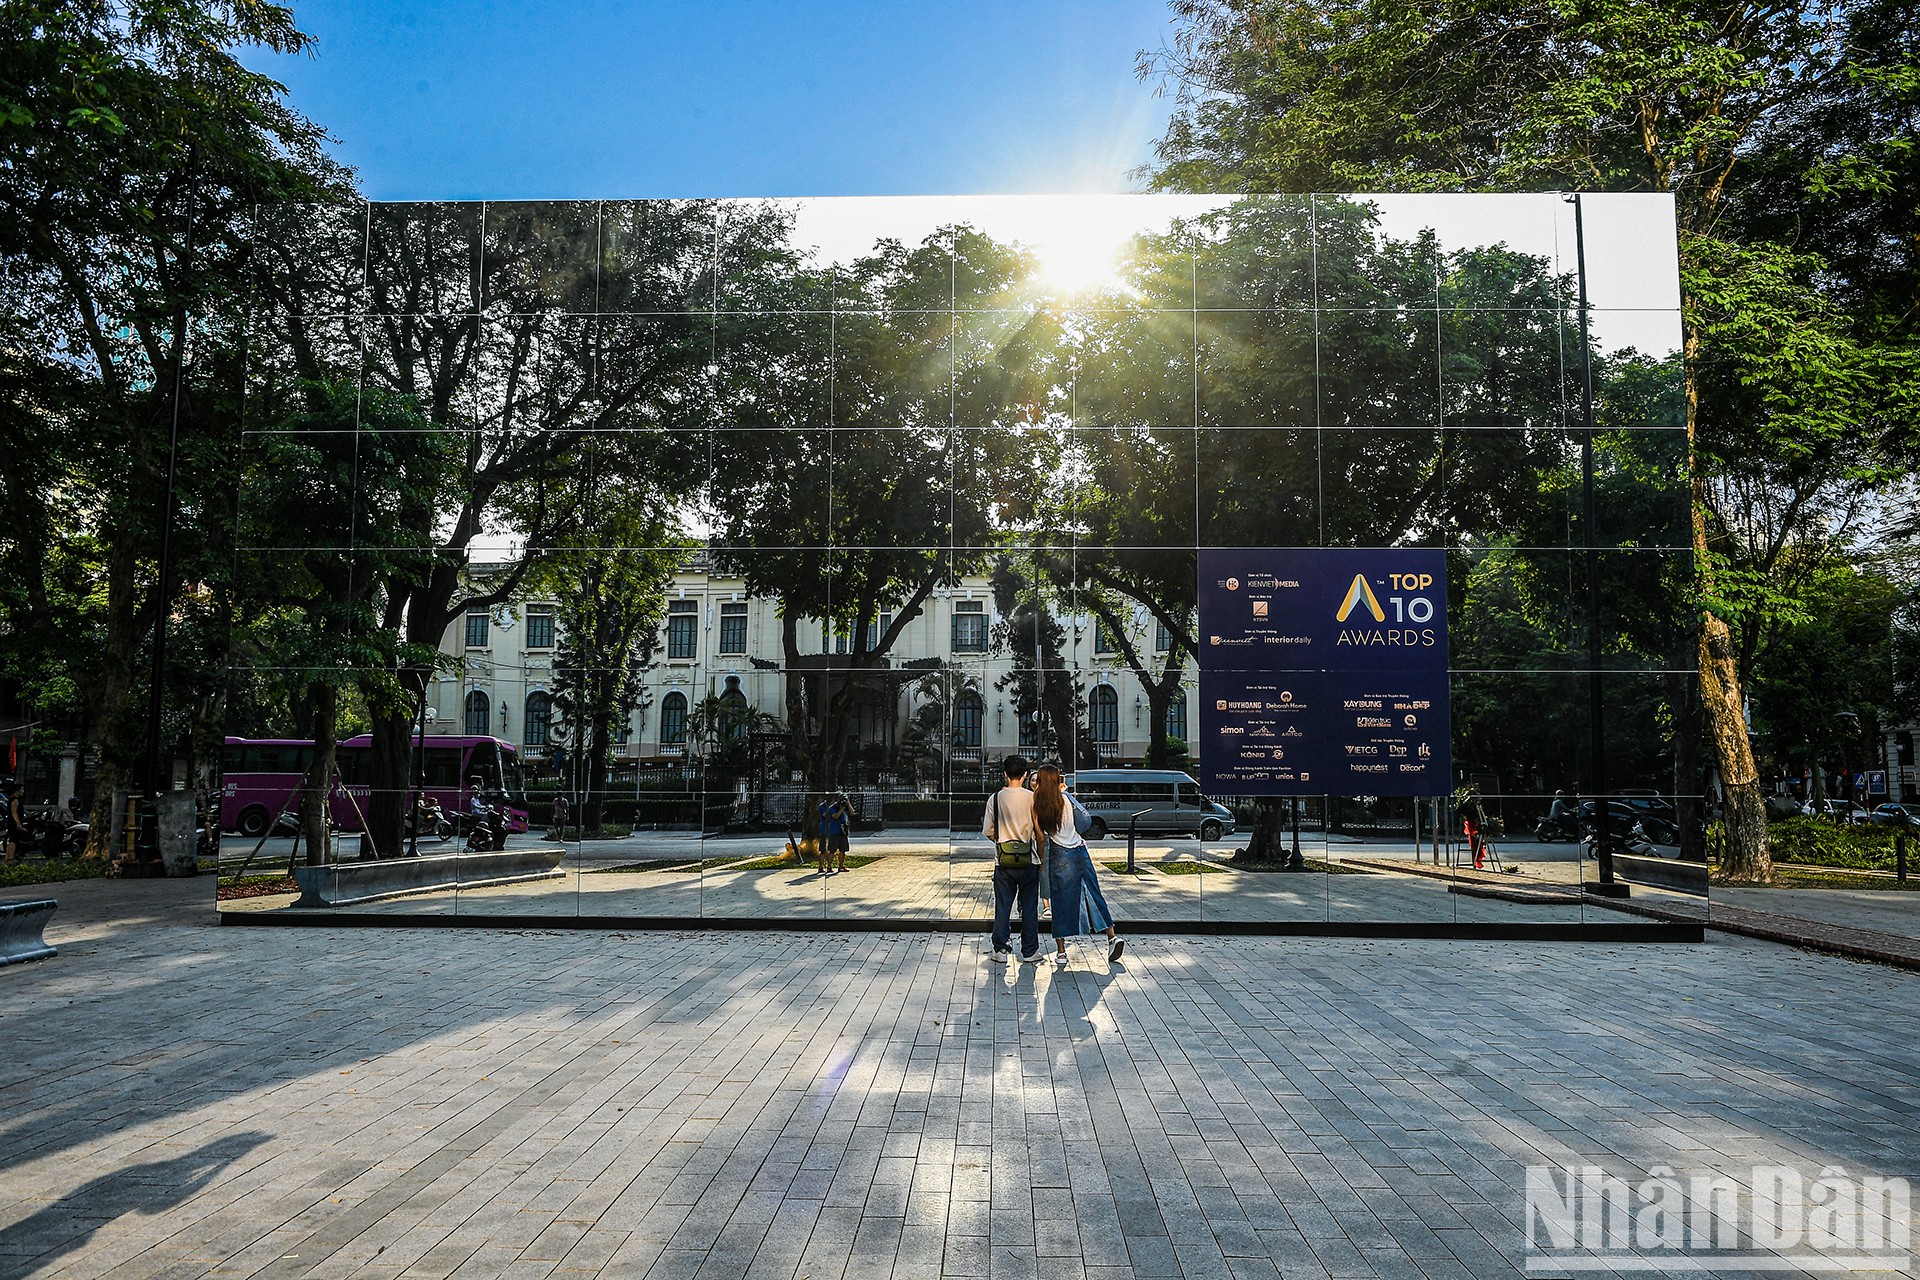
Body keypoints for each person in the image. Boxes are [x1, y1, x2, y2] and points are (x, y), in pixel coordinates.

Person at [1031, 765, 1122, 964]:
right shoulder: (1065, 798)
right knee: (1093, 892)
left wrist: (1041, 860)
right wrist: (1068, 794)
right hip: (1080, 849)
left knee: (1060, 900)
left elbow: (1040, 836)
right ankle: (1112, 937)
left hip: (1059, 852)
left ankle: (1062, 952)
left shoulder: (1037, 803)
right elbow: (1082, 822)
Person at [981, 755, 1044, 962]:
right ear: (1026, 775)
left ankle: (1000, 949)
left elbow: (989, 831)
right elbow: (1039, 831)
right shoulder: (1032, 797)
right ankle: (1029, 951)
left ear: (1005, 774)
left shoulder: (995, 798)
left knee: (1003, 906)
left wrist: (1003, 844)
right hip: (1029, 860)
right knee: (1029, 907)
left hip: (1003, 861)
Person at [817, 792, 852, 874]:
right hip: (834, 831)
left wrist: (848, 803)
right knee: (831, 850)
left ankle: (841, 866)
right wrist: (841, 809)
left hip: (843, 831)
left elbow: (852, 812)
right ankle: (828, 866)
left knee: (843, 850)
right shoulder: (831, 807)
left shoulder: (845, 806)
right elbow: (835, 816)